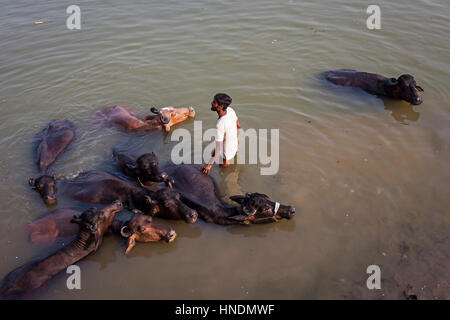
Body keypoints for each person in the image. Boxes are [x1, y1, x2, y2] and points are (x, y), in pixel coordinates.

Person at [202, 93, 241, 175]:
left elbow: (219, 149)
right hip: (235, 145)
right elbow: (238, 126)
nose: (211, 102)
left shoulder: (220, 124)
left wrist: (209, 165)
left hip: (226, 155)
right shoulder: (230, 110)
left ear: (221, 106)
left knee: (224, 171)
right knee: (214, 152)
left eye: (214, 102)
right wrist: (236, 138)